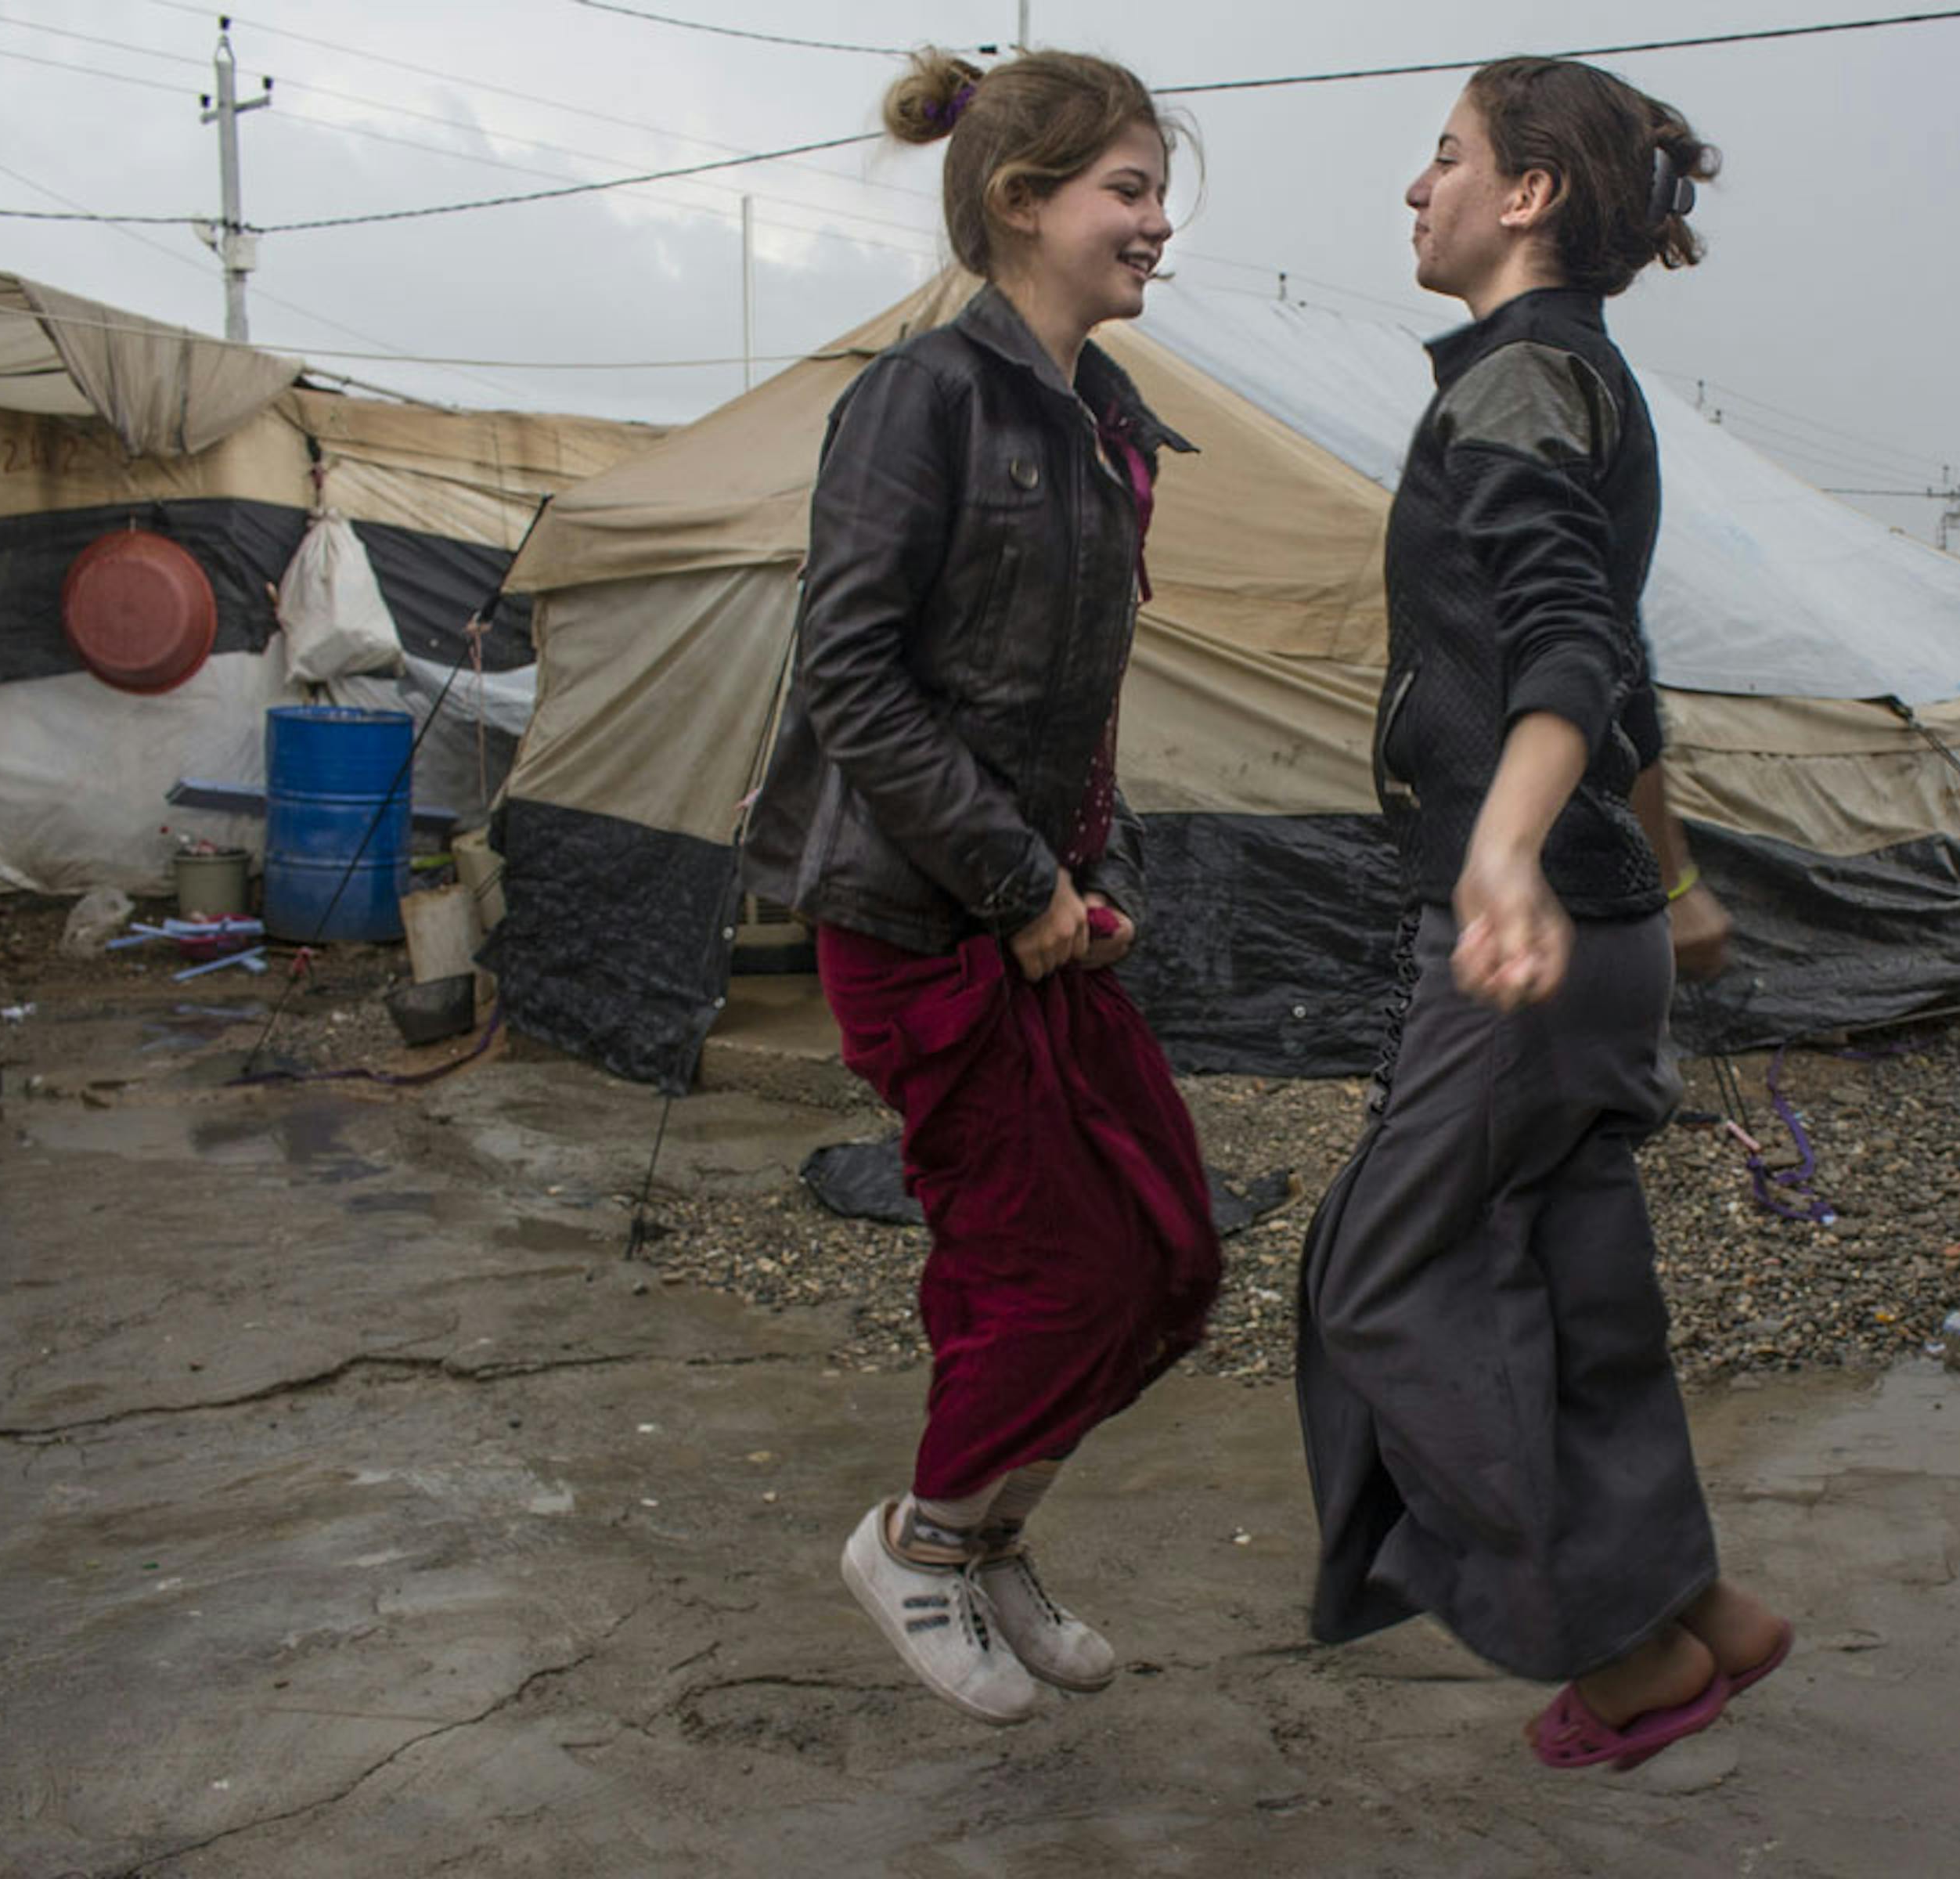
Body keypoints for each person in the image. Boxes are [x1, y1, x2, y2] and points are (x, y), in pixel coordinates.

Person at [1295, 56, 1789, 1771]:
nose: (1412, 190)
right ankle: (1698, 1606)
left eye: (1443, 158)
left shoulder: (1514, 382)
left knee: (1384, 1285)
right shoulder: (1590, 381)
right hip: (1608, 927)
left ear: (1525, 199)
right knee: (1569, 1277)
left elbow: (1567, 646)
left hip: (1525, 939)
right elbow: (1625, 686)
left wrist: (1502, 855)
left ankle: (1628, 1646)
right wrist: (1669, 878)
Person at [739, 45, 1223, 1728]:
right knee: (1057, 1274)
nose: (1159, 226)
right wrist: (1021, 886)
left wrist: (1096, 876)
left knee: (1168, 1257)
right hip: (918, 918)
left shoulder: (1102, 425)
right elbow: (854, 678)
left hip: (1039, 914)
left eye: (1162, 193)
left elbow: (1069, 699)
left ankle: (996, 1533)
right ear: (1025, 206)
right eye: (1131, 192)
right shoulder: (922, 399)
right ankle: (917, 1546)